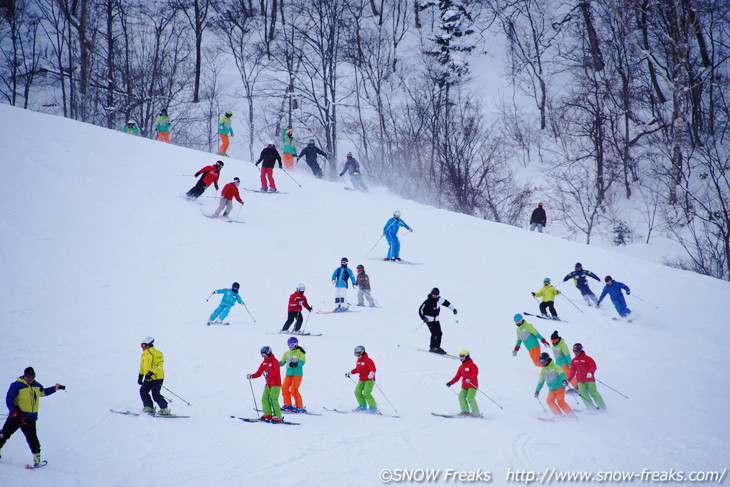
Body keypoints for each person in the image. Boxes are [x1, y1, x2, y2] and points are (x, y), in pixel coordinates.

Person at [0, 367, 64, 468]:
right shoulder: (17, 385)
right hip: (16, 416)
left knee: (33, 440)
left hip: (29, 418)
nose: (30, 379)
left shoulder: (37, 386)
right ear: (24, 376)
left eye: (32, 377)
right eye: (28, 377)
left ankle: (37, 461)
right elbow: (9, 399)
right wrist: (14, 411)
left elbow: (43, 392)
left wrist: (55, 388)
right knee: (4, 434)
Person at [565, 343, 607, 411]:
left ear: (580, 350)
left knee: (593, 392)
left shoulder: (588, 359)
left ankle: (602, 407)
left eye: (577, 351)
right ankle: (591, 407)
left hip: (589, 379)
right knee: (582, 393)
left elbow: (593, 367)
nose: (575, 353)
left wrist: (591, 373)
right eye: (574, 351)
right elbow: (572, 372)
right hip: (580, 380)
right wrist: (568, 380)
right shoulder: (574, 361)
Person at [247, 346, 283, 422]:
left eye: (264, 354)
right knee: (265, 399)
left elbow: (276, 372)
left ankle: (278, 416)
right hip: (268, 384)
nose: (263, 356)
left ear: (268, 353)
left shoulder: (274, 361)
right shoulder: (264, 362)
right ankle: (268, 414)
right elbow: (259, 373)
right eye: (262, 355)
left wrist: (268, 373)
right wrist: (251, 376)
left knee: (273, 399)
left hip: (276, 384)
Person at [535, 352, 575, 418]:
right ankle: (559, 415)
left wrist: (564, 380)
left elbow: (561, 373)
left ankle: (571, 415)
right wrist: (537, 391)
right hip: (551, 389)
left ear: (547, 359)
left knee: (560, 401)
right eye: (540, 361)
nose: (542, 363)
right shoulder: (543, 370)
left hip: (560, 387)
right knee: (549, 400)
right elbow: (540, 382)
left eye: (543, 360)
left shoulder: (555, 366)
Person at [418, 287, 457, 355]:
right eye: (434, 295)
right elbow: (420, 310)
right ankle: (432, 347)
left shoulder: (440, 300)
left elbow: (447, 304)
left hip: (436, 320)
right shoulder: (427, 301)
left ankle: (437, 347)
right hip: (429, 320)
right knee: (434, 333)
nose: (435, 296)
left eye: (436, 295)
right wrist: (423, 318)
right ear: (431, 294)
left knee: (439, 333)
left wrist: (453, 309)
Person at [138, 337, 169, 415]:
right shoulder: (144, 355)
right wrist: (140, 376)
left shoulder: (158, 353)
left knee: (155, 394)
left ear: (149, 345)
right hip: (148, 378)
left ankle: (164, 409)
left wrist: (151, 373)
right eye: (141, 345)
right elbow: (142, 366)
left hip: (157, 378)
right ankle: (149, 407)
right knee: (143, 391)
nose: (142, 347)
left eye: (143, 345)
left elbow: (160, 365)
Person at [445, 350, 480, 417]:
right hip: (464, 386)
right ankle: (465, 411)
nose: (461, 358)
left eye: (463, 357)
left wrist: (470, 379)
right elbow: (457, 377)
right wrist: (450, 383)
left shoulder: (472, 365)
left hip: (472, 385)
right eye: (460, 357)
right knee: (461, 396)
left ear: (467, 356)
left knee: (470, 397)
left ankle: (476, 413)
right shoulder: (461, 367)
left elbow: (475, 373)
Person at [345, 345, 378, 413]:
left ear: (362, 352)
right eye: (355, 354)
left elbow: (373, 368)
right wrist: (350, 373)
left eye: (357, 353)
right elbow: (358, 369)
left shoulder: (368, 360)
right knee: (357, 392)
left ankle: (373, 408)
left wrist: (371, 373)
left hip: (369, 380)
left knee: (366, 393)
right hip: (362, 379)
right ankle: (362, 406)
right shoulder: (358, 361)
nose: (356, 355)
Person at [279, 337, 307, 413]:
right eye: (289, 344)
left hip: (297, 374)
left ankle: (299, 406)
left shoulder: (300, 353)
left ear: (296, 344)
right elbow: (282, 362)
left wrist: (296, 364)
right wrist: (275, 364)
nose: (290, 346)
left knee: (293, 390)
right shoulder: (286, 354)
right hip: (288, 374)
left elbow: (302, 362)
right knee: (284, 388)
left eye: (292, 344)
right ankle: (288, 405)